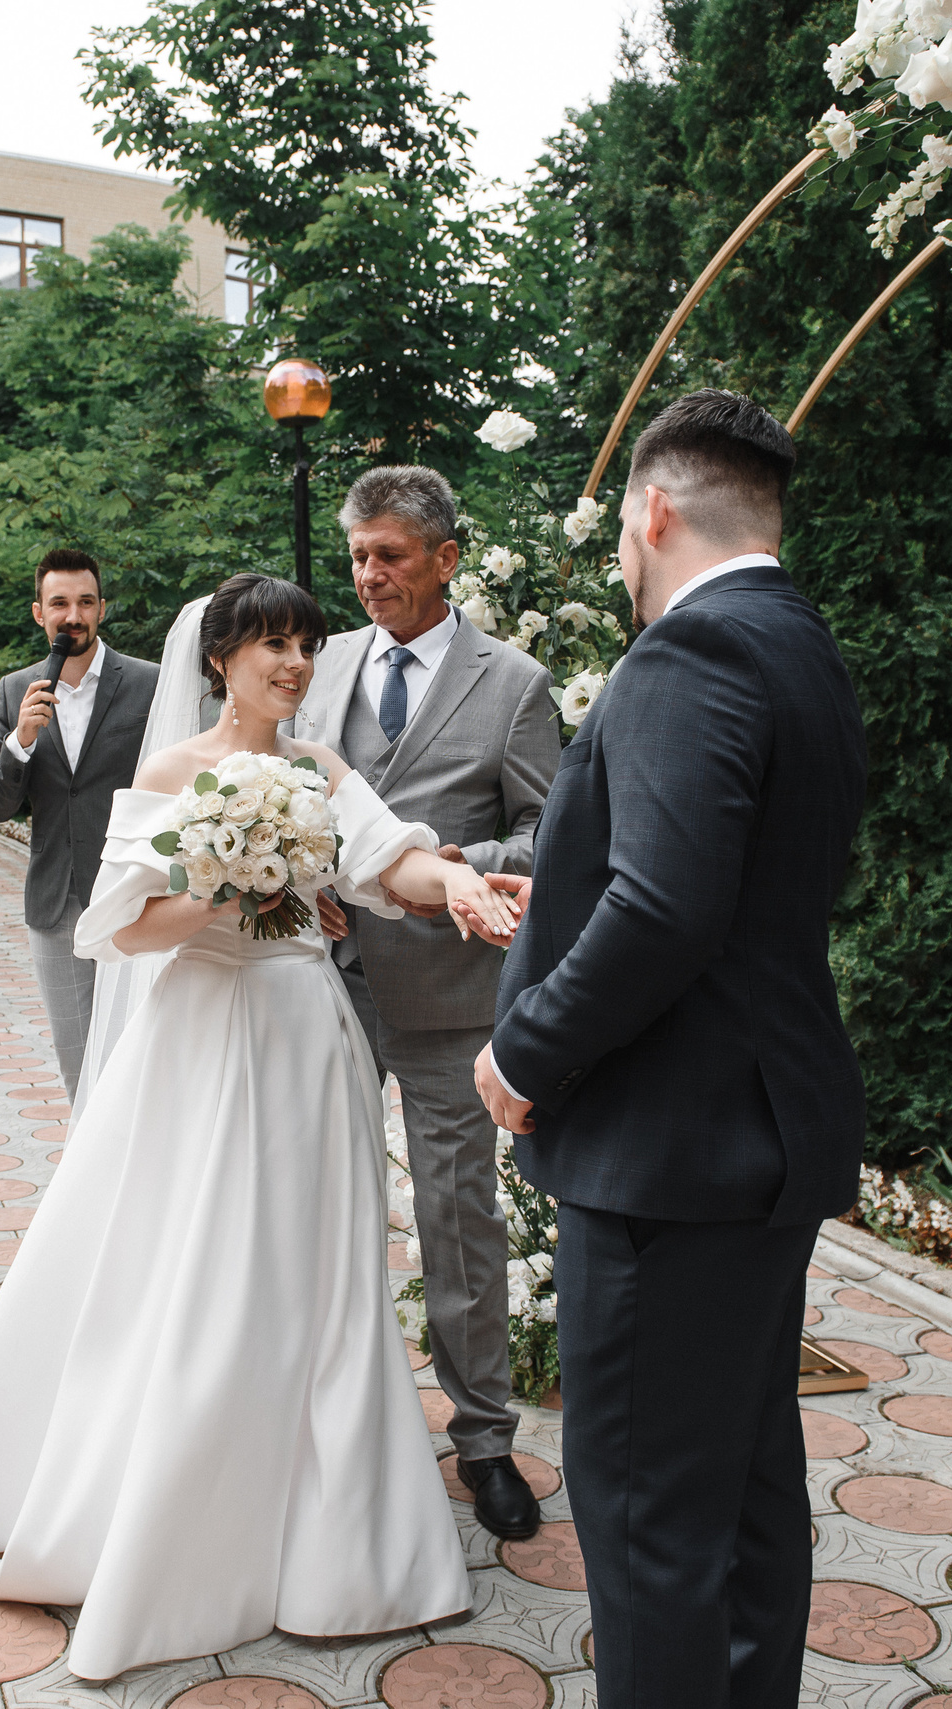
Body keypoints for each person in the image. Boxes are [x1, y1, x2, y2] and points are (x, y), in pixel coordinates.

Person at [0, 575, 525, 1681]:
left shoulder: (319, 771)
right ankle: (191, 1507)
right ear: (218, 658)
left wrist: (450, 883)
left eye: (305, 645)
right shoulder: (170, 773)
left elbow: (382, 857)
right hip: (204, 1043)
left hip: (309, 1038)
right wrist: (235, 878)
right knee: (213, 1267)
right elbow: (119, 929)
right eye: (270, 643)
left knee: (322, 1268)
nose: (294, 663)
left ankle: (338, 1529)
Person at [479, 390, 868, 1709]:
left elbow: (667, 903)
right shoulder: (801, 643)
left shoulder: (689, 654)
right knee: (750, 1494)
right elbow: (722, 888)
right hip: (761, 1146)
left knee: (648, 1521)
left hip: (669, 1163)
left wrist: (523, 1052)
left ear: (651, 509)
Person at [291, 465, 563, 1543]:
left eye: (388, 556)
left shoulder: (516, 684)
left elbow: (555, 842)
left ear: (445, 559)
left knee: (458, 1224)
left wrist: (460, 859)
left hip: (451, 1001)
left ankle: (484, 1438)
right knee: (313, 1203)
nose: (366, 577)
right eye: (357, 556)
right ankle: (327, 1422)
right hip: (324, 991)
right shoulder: (323, 669)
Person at [0, 548, 160, 1095]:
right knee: (78, 1063)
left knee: (140, 1054)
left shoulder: (150, 684)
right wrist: (21, 744)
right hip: (57, 903)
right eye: (59, 603)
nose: (72, 616)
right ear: (40, 613)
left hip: (138, 897)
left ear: (102, 608)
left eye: (85, 602)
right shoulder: (16, 690)